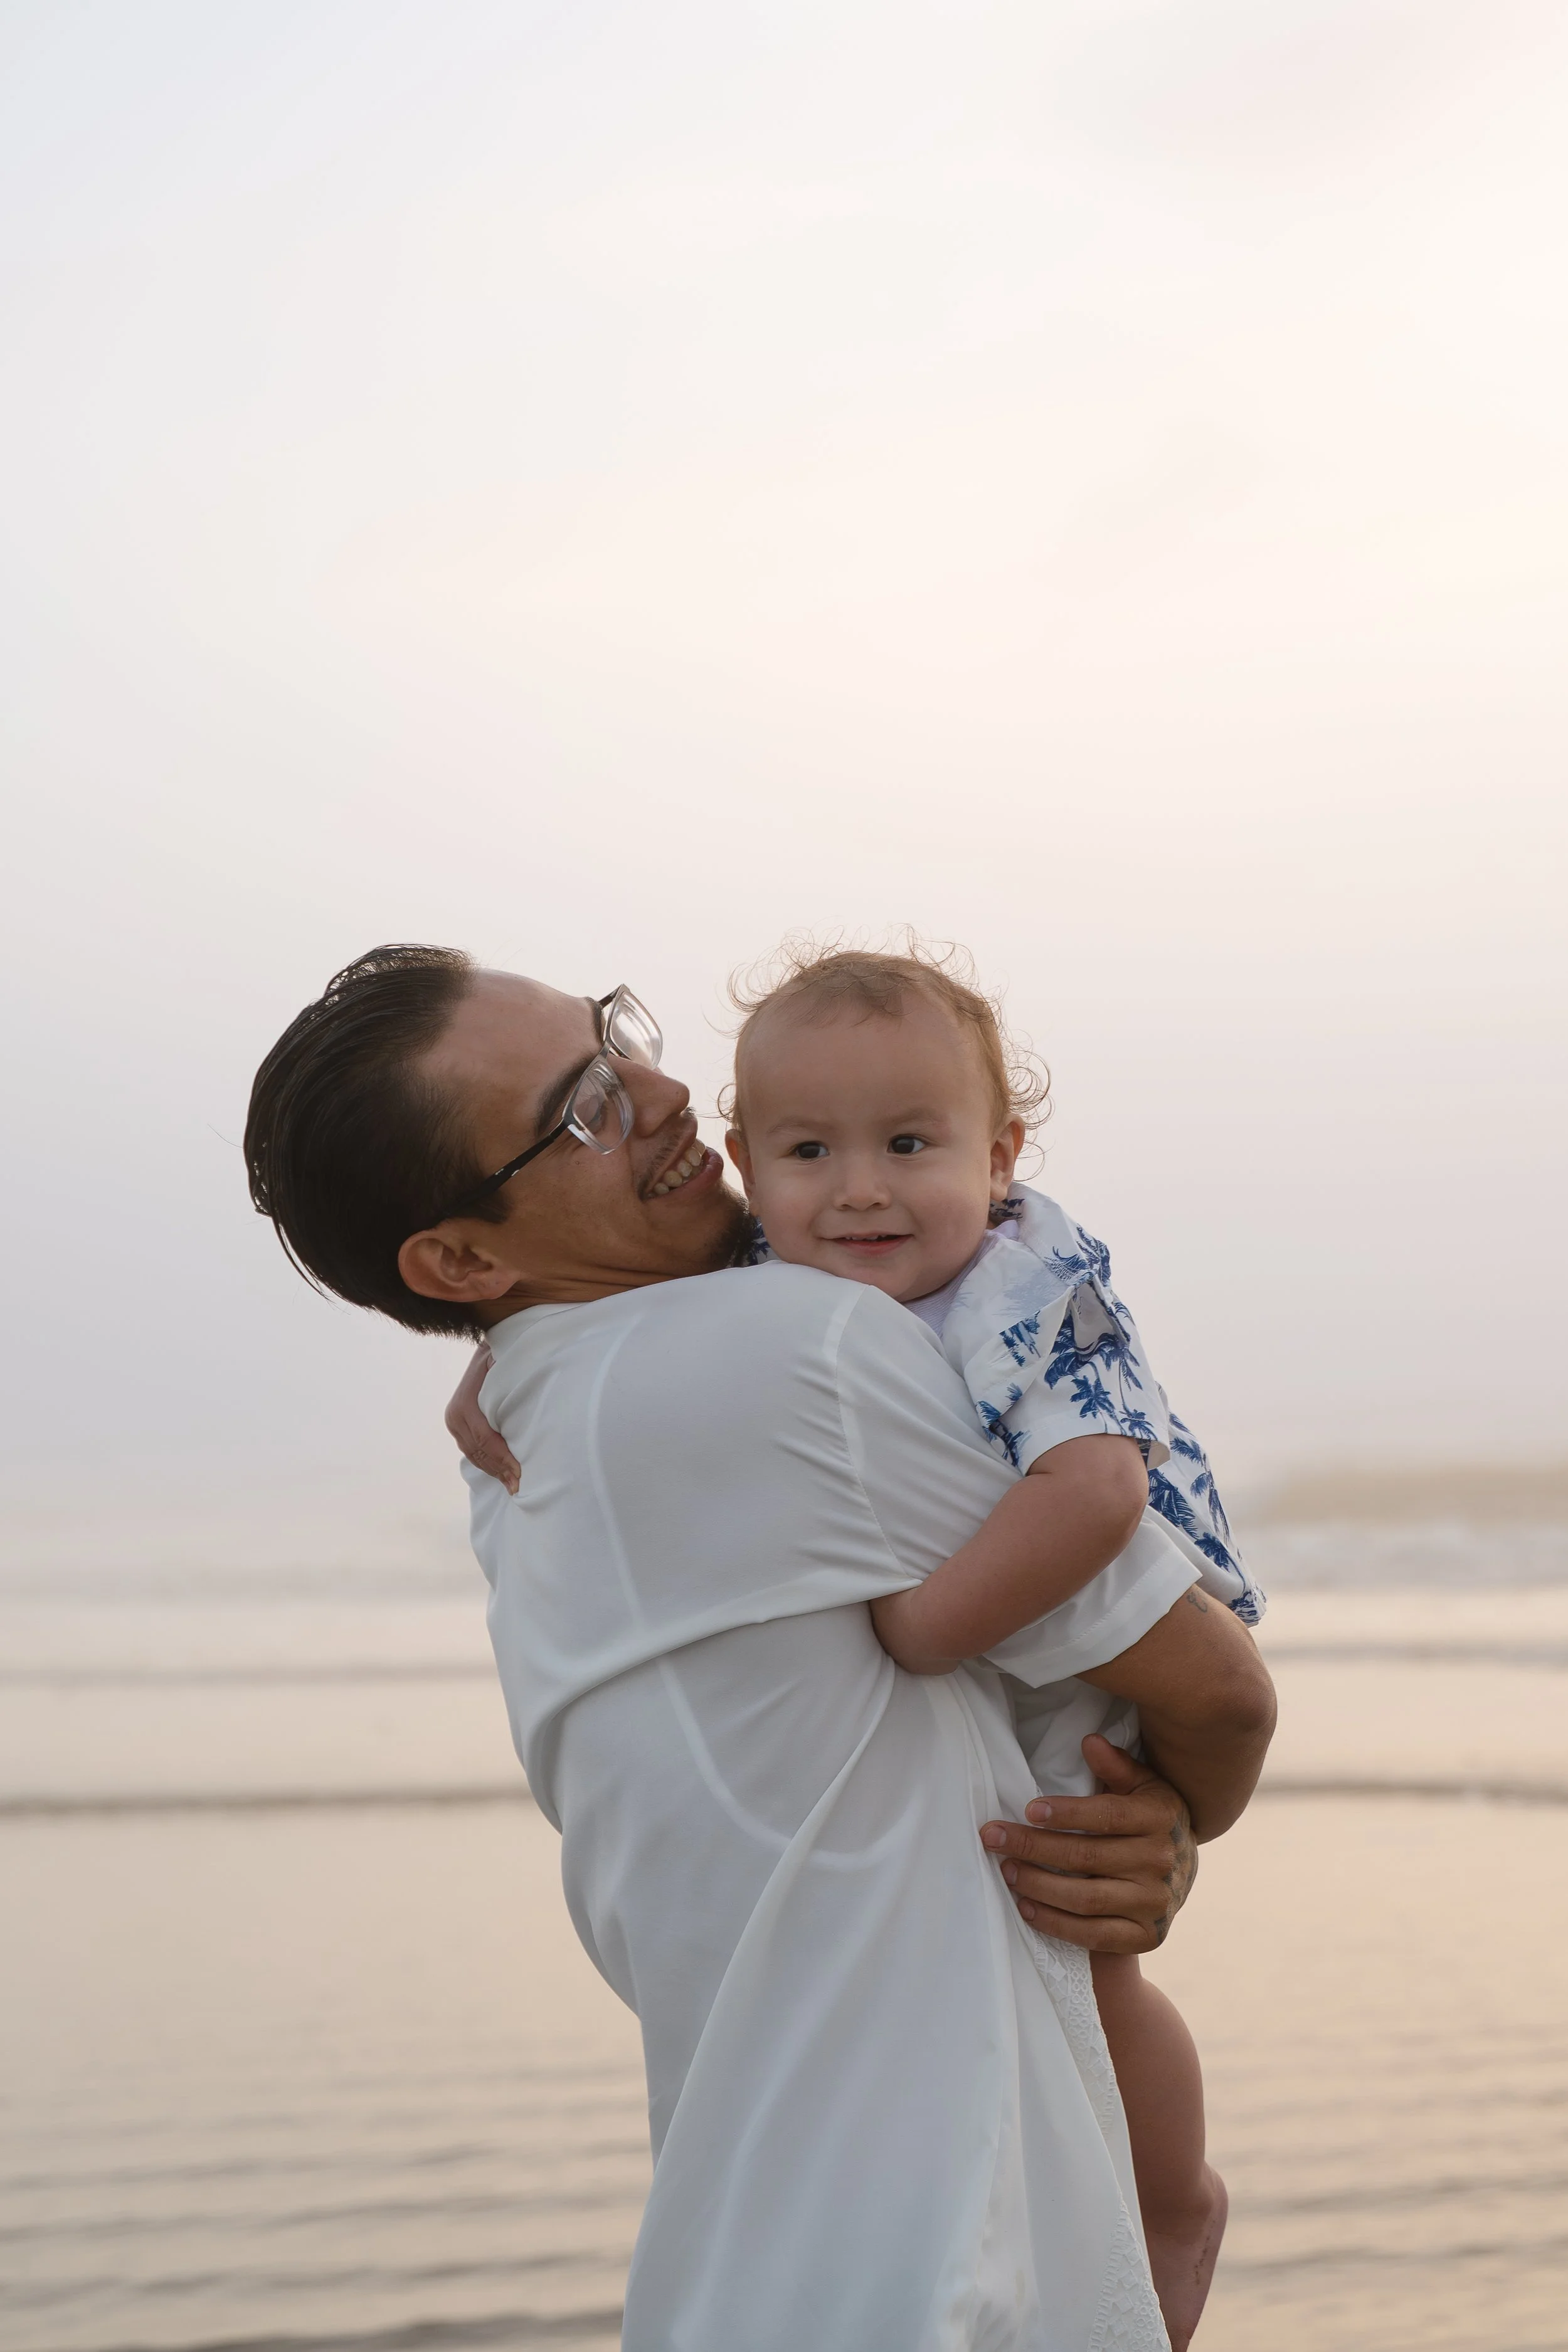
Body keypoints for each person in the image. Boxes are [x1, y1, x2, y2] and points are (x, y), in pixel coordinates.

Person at [246, 944, 1275, 2352]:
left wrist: (505, 1330)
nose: (663, 1093)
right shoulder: (794, 1352)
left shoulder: (515, 1467)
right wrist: (1171, 1815)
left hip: (752, 2267)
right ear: (465, 1258)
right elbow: (1221, 1690)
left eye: (617, 1038)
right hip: (946, 2274)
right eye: (584, 1109)